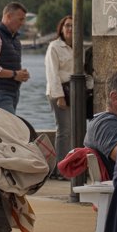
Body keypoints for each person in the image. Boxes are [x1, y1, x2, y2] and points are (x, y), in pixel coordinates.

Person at [0, 2, 30, 114]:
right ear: (8, 16)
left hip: (10, 92)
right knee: (7, 129)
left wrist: (20, 74)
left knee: (6, 128)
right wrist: (15, 74)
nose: (23, 23)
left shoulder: (14, 39)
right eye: (20, 19)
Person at [44, 15, 74, 180]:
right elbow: (52, 74)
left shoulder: (77, 47)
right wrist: (59, 96)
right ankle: (61, 169)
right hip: (59, 92)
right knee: (64, 130)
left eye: (73, 26)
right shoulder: (54, 47)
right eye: (67, 25)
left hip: (75, 93)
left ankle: (68, 167)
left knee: (73, 131)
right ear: (61, 28)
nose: (70, 29)